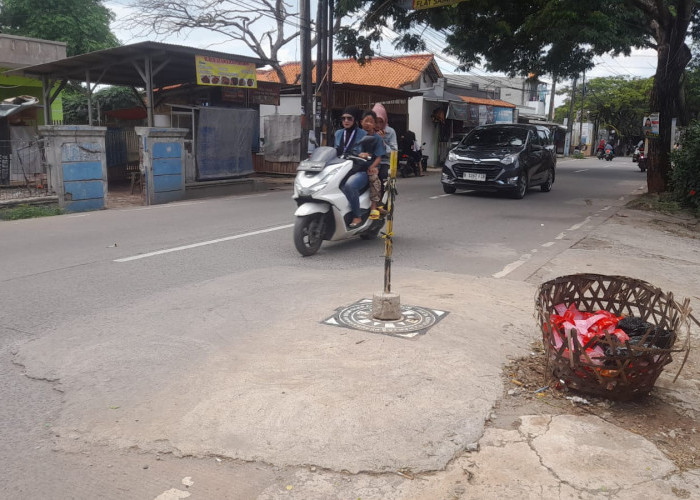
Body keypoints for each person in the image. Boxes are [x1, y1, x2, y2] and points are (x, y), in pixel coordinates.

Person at [358, 110, 385, 221]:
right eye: (366, 121)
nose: (368, 124)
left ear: (375, 124)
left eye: (371, 121)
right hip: (356, 164)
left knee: (374, 179)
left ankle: (374, 206)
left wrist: (372, 166)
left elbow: (379, 157)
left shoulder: (377, 138)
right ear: (361, 122)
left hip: (371, 165)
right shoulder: (357, 134)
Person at [372, 103, 403, 191]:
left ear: (385, 120)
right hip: (372, 161)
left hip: (385, 161)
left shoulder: (391, 132)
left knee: (383, 176)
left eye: (380, 121)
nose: (377, 125)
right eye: (375, 121)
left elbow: (394, 152)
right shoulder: (369, 130)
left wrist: (382, 142)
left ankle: (383, 202)